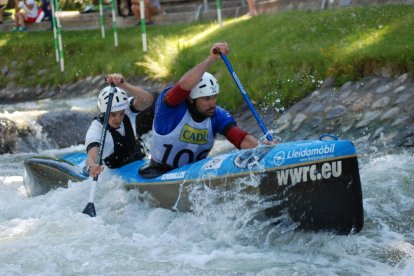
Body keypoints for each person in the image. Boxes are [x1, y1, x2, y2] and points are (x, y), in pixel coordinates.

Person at [140, 42, 273, 177]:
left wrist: (265, 151)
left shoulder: (217, 114)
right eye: (206, 99)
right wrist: (211, 59)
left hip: (192, 175)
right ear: (191, 98)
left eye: (214, 97)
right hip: (158, 172)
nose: (212, 103)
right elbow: (184, 85)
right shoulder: (171, 107)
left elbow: (241, 139)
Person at [85, 74, 155, 178]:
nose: (118, 118)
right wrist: (93, 166)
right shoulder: (96, 128)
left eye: (121, 113)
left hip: (140, 163)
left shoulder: (126, 109)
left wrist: (124, 85)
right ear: (104, 112)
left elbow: (148, 100)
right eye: (113, 114)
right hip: (117, 175)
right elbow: (92, 156)